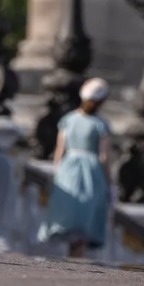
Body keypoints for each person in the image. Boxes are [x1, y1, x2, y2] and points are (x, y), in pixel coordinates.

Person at [38, 77, 114, 258]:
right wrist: (109, 182)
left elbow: (59, 151)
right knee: (87, 213)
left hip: (68, 169)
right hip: (92, 172)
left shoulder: (68, 120)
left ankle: (71, 252)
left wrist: (57, 172)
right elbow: (104, 157)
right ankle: (78, 255)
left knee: (70, 211)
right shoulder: (101, 124)